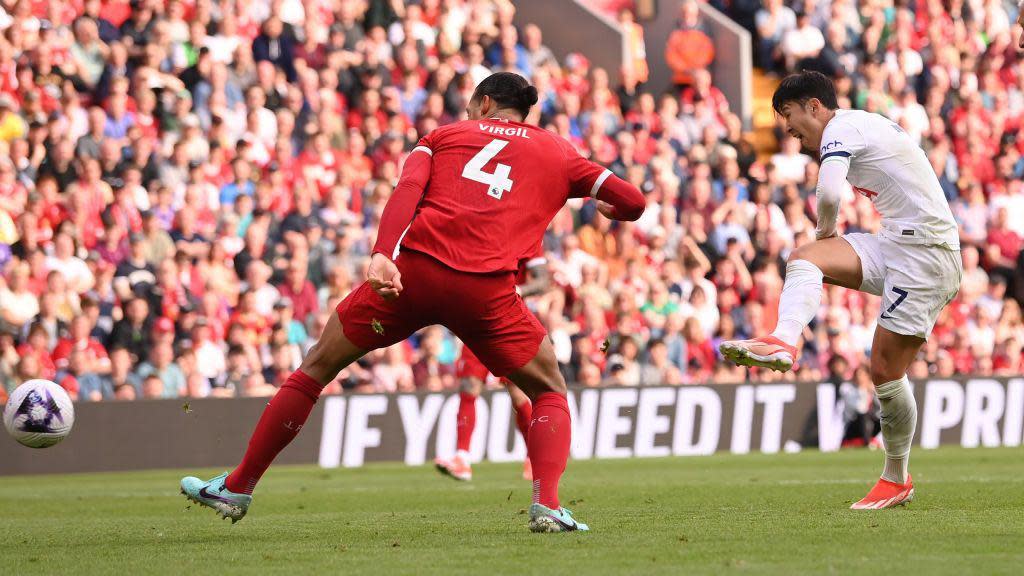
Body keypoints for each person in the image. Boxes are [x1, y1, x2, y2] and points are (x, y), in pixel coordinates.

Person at [181, 72, 645, 532]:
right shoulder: (557, 151)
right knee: (548, 389)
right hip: (485, 293)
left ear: (483, 104)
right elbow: (633, 200)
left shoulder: (442, 136)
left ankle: (238, 486)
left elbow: (407, 192)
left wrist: (383, 253)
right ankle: (548, 503)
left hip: (413, 277)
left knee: (317, 368)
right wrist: (612, 209)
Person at [720, 72, 962, 510]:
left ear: (815, 106)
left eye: (792, 120)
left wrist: (826, 231)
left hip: (927, 252)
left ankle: (895, 478)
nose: (791, 133)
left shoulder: (840, 129)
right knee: (804, 257)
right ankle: (783, 341)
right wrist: (822, 242)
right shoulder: (857, 125)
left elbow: (830, 193)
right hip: (898, 241)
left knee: (886, 369)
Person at [433, 249, 548, 482]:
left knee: (517, 393)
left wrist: (518, 290)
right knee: (468, 386)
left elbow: (543, 280)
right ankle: (462, 459)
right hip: (476, 321)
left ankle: (533, 458)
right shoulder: (480, 232)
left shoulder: (529, 237)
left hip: (510, 322)